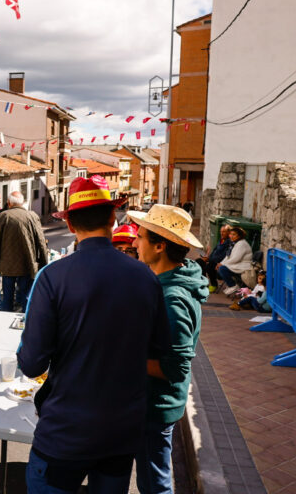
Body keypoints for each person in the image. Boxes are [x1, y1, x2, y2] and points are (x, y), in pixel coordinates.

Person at [18, 176, 170, 493]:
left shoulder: (53, 277)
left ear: (70, 224)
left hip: (65, 432)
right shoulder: (146, 277)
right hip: (121, 430)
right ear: (113, 219)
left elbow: (32, 363)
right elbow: (161, 355)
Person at [128, 204, 209, 494]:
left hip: (155, 407)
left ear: (160, 246)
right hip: (148, 402)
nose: (134, 242)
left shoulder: (172, 299)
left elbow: (175, 368)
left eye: (140, 237)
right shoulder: (163, 283)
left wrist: (122, 356)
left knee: (154, 484)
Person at [0, 191, 48, 312]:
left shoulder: (3, 216)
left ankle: (5, 323)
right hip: (28, 264)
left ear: (9, 203)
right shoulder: (32, 216)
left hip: (7, 266)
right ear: (22, 203)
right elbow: (41, 241)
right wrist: (44, 263)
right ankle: (25, 324)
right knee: (26, 297)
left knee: (7, 298)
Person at [216, 227, 253, 296]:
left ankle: (233, 285)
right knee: (219, 267)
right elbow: (228, 257)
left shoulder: (242, 244)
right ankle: (231, 285)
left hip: (242, 266)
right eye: (230, 234)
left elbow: (236, 259)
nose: (231, 236)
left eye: (234, 234)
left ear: (239, 236)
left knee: (222, 269)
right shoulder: (234, 243)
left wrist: (222, 265)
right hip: (237, 264)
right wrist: (221, 263)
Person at [195, 224, 231, 293]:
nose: (221, 233)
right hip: (212, 260)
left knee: (209, 266)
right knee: (198, 261)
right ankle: (204, 282)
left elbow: (223, 256)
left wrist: (209, 260)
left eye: (224, 231)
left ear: (228, 232)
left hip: (219, 263)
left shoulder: (228, 243)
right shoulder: (221, 240)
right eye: (221, 231)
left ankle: (214, 284)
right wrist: (207, 257)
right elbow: (214, 251)